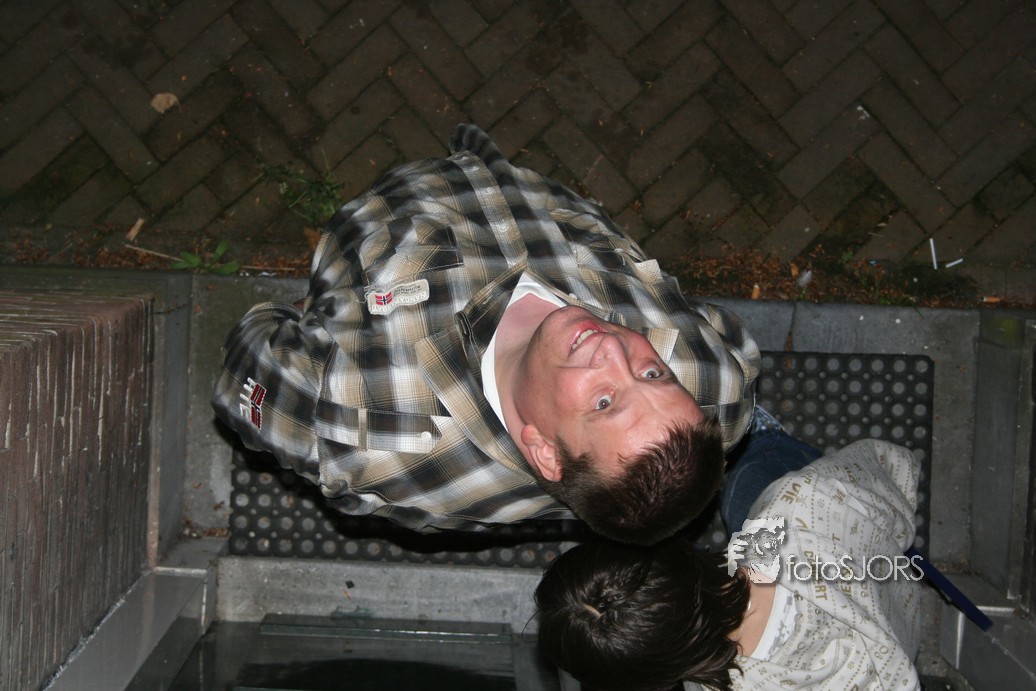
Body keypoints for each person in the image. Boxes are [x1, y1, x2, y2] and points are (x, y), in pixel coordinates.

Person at [212, 123, 761, 545]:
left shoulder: (365, 435)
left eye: (604, 401)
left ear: (545, 454)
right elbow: (724, 338)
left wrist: (306, 314)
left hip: (392, 199)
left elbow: (246, 365)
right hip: (517, 189)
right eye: (653, 373)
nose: (615, 348)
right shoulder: (718, 392)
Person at [534, 438, 923, 690]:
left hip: (902, 649)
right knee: (749, 474)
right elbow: (894, 467)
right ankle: (764, 435)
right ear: (665, 543)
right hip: (887, 585)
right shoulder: (798, 505)